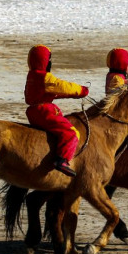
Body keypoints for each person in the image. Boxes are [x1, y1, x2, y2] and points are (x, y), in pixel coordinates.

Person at [24, 45, 89, 177]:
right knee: (71, 132)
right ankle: (62, 160)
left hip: (33, 111)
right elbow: (64, 87)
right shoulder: (46, 78)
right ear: (45, 61)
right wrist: (82, 91)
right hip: (44, 112)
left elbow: (52, 92)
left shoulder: (32, 75)